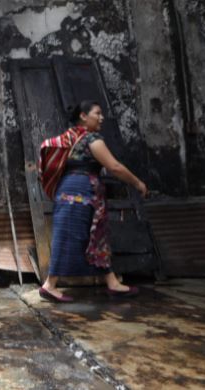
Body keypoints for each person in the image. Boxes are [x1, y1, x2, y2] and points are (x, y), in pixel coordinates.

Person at [38, 101, 148, 302]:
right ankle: (49, 285)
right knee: (75, 237)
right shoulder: (90, 139)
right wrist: (137, 183)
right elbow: (114, 167)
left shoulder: (71, 140)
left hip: (69, 192)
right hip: (80, 194)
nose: (101, 117)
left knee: (95, 237)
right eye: (97, 113)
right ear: (83, 116)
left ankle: (112, 282)